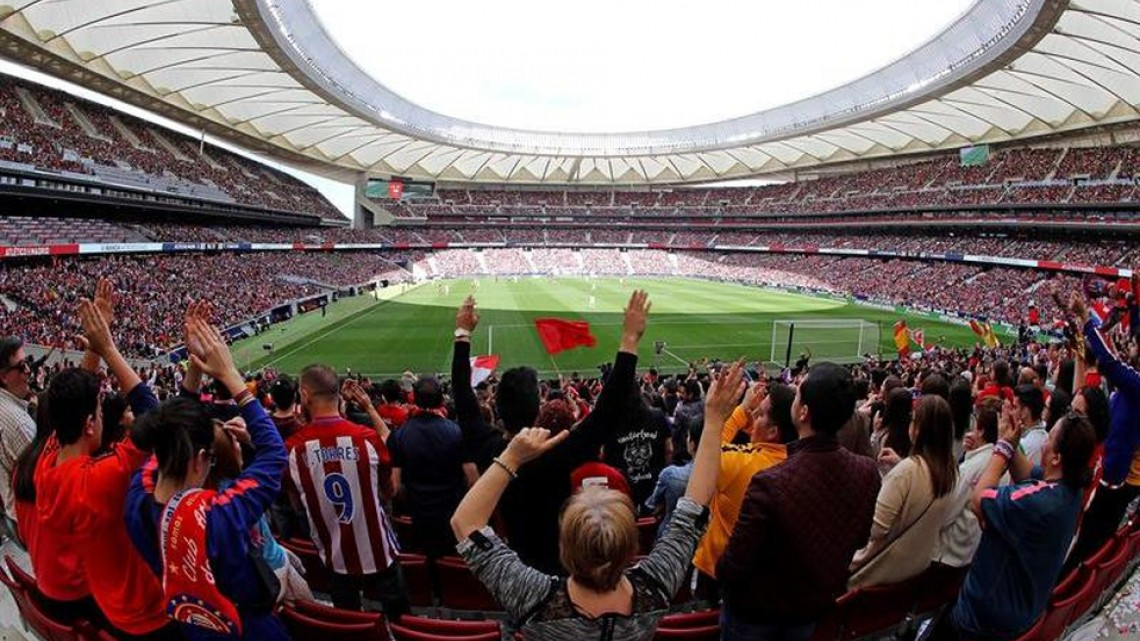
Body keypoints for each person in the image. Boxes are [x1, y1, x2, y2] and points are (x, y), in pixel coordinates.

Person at [449, 361, 743, 641]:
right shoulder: (655, 586)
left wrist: (511, 457)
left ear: (565, 547)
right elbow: (693, 508)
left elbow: (465, 523)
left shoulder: (533, 596)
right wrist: (715, 421)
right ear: (631, 547)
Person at [450, 292, 649, 574]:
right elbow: (608, 410)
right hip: (566, 567)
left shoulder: (489, 450)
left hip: (519, 567)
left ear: (495, 405)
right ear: (538, 408)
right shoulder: (562, 452)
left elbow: (463, 399)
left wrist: (462, 334)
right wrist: (629, 339)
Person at [125, 313, 291, 640]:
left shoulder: (137, 499)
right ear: (201, 460)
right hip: (248, 628)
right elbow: (273, 453)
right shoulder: (221, 516)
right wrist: (231, 377)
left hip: (191, 627)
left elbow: (168, 428)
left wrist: (195, 369)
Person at [33, 282, 178, 639]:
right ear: (89, 424)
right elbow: (158, 417)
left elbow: (75, 398)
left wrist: (95, 348)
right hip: (145, 612)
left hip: (106, 603)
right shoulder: (102, 475)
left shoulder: (46, 461)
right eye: (98, 410)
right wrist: (109, 347)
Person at [718, 363, 880, 641]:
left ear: (803, 412)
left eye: (797, 396)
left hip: (755, 616)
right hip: (812, 609)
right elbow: (859, 537)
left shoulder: (771, 482)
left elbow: (732, 568)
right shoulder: (867, 471)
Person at [931, 410, 1096, 641]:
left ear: (1057, 458)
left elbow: (979, 499)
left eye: (1049, 437)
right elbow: (1028, 473)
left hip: (984, 618)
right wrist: (1009, 441)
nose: (1045, 440)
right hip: (1020, 611)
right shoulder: (1070, 487)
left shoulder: (1039, 503)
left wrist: (1001, 450)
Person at [284, 364, 407, 615]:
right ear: (338, 394)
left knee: (348, 625)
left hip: (334, 558)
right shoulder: (367, 439)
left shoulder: (293, 449)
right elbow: (390, 490)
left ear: (305, 395)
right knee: (401, 620)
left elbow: (296, 505)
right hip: (379, 552)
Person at [692, 381, 794, 601]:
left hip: (718, 570)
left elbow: (707, 453)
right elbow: (757, 444)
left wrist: (739, 412)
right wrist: (752, 419)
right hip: (763, 574)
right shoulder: (794, 461)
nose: (755, 415)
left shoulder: (743, 465)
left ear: (773, 431)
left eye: (760, 415)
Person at [849, 395, 958, 588]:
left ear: (919, 429)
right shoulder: (950, 470)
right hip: (914, 568)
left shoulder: (908, 472)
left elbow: (876, 529)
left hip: (880, 572)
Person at [388, 375, 476, 558]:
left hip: (419, 516)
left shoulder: (399, 435)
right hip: (451, 515)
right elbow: (473, 479)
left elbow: (394, 487)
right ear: (441, 399)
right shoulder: (456, 431)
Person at [933, 399, 1007, 568]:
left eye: (975, 426)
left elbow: (948, 510)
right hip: (971, 548)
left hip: (951, 552)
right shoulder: (999, 461)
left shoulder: (974, 466)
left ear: (980, 431)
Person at [0, 336, 36, 540]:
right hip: (28, 522)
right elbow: (42, 484)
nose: (28, 371)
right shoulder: (19, 423)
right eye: (21, 366)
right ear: (4, 377)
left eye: (28, 362)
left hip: (12, 514)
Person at [644, 419, 699, 536]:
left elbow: (652, 505)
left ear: (692, 444)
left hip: (671, 538)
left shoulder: (670, 475)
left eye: (688, 436)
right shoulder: (728, 474)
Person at [1010, 385, 1047, 466]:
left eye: (1015, 407)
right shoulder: (1045, 431)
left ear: (1025, 411)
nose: (1012, 412)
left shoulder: (1026, 445)